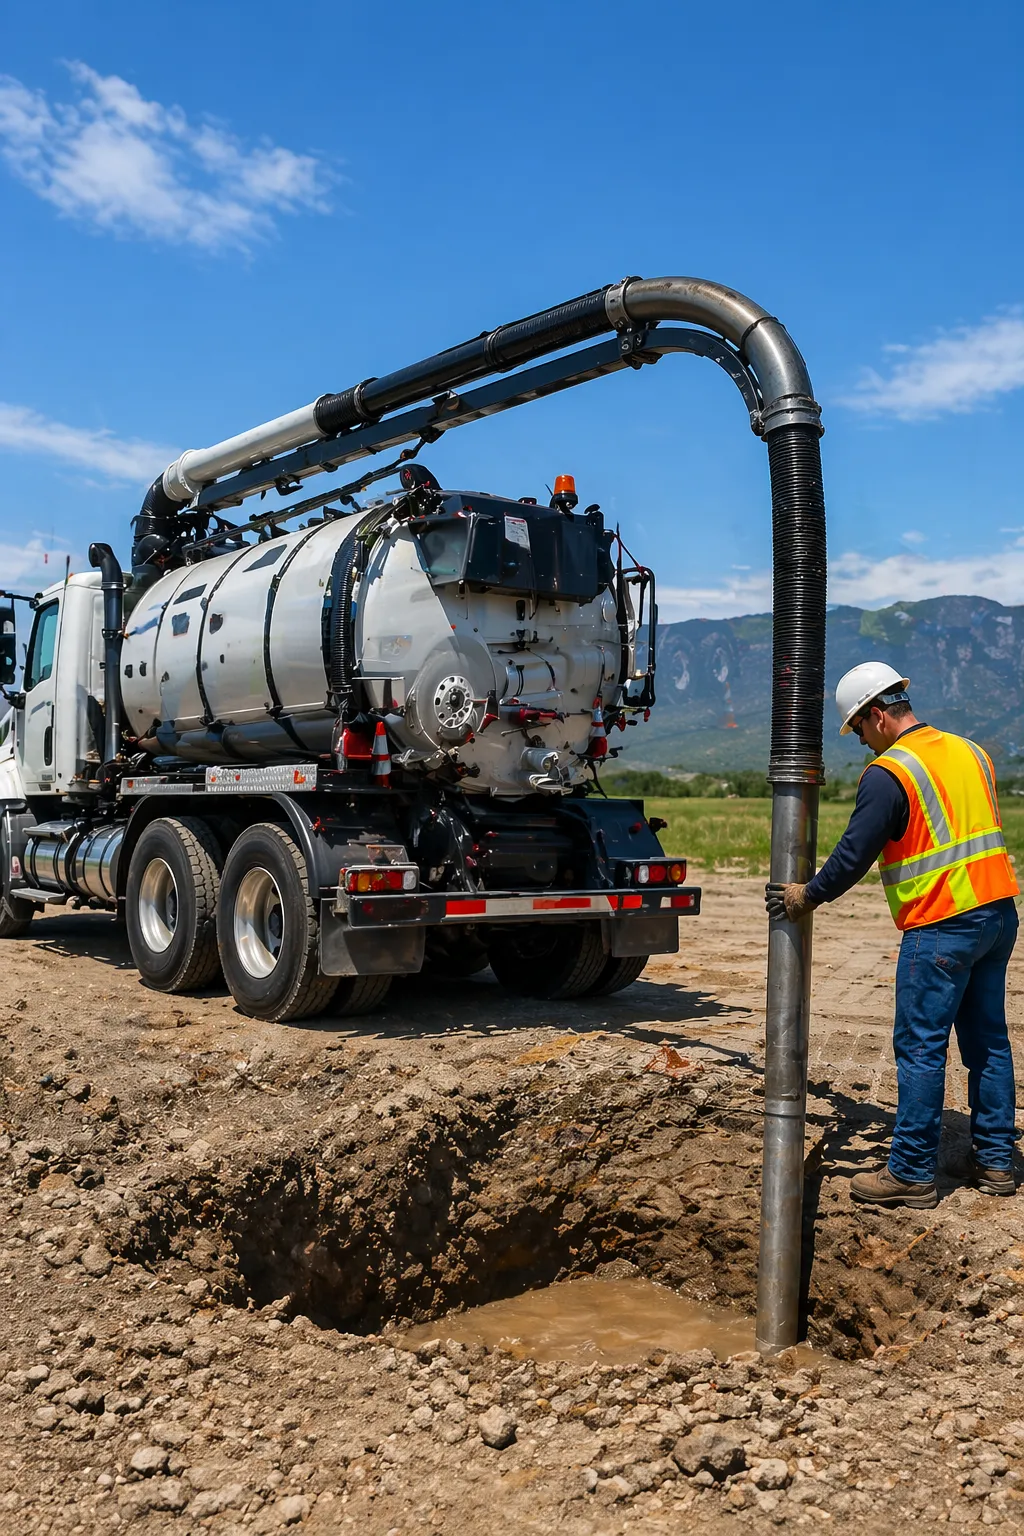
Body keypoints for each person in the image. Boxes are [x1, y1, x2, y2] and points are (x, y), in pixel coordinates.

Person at [766, 661, 1019, 1209]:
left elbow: (855, 853)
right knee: (988, 1044)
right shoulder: (971, 751)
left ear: (876, 715)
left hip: (940, 925)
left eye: (858, 729)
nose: (861, 742)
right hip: (998, 915)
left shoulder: (891, 772)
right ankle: (996, 1162)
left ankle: (910, 1173)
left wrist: (806, 895)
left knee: (921, 1049)